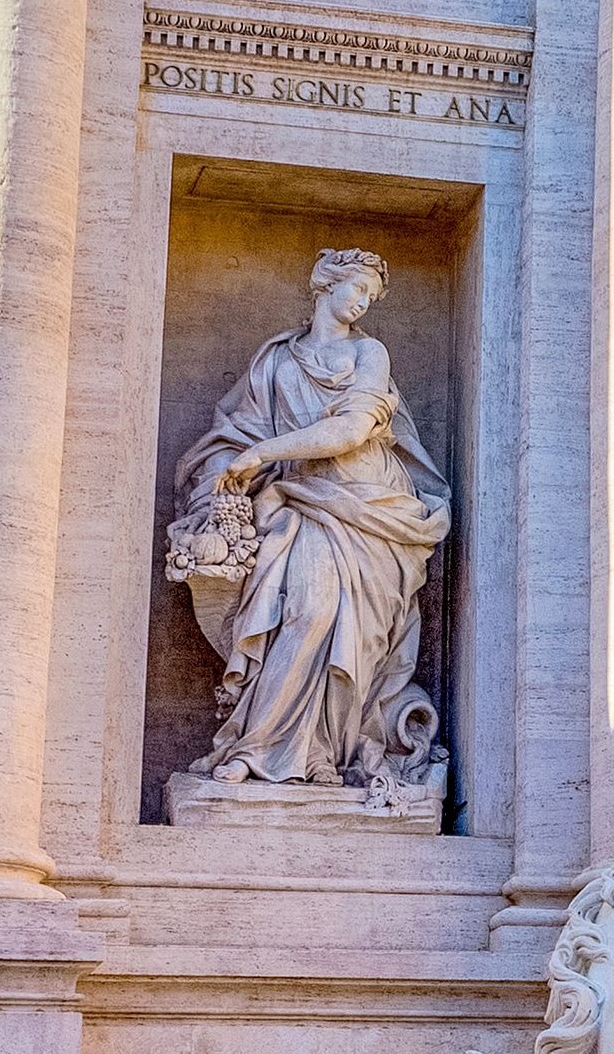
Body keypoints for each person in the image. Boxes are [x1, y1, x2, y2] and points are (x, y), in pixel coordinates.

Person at [170, 251, 450, 793]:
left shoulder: (370, 352)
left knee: (352, 633)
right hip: (298, 501)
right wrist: (224, 482)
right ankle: (260, 748)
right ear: (326, 284)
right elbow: (234, 436)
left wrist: (262, 454)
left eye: (371, 295)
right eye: (358, 289)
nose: (364, 302)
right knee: (306, 610)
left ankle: (328, 753)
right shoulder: (276, 360)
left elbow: (349, 431)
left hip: (370, 509)